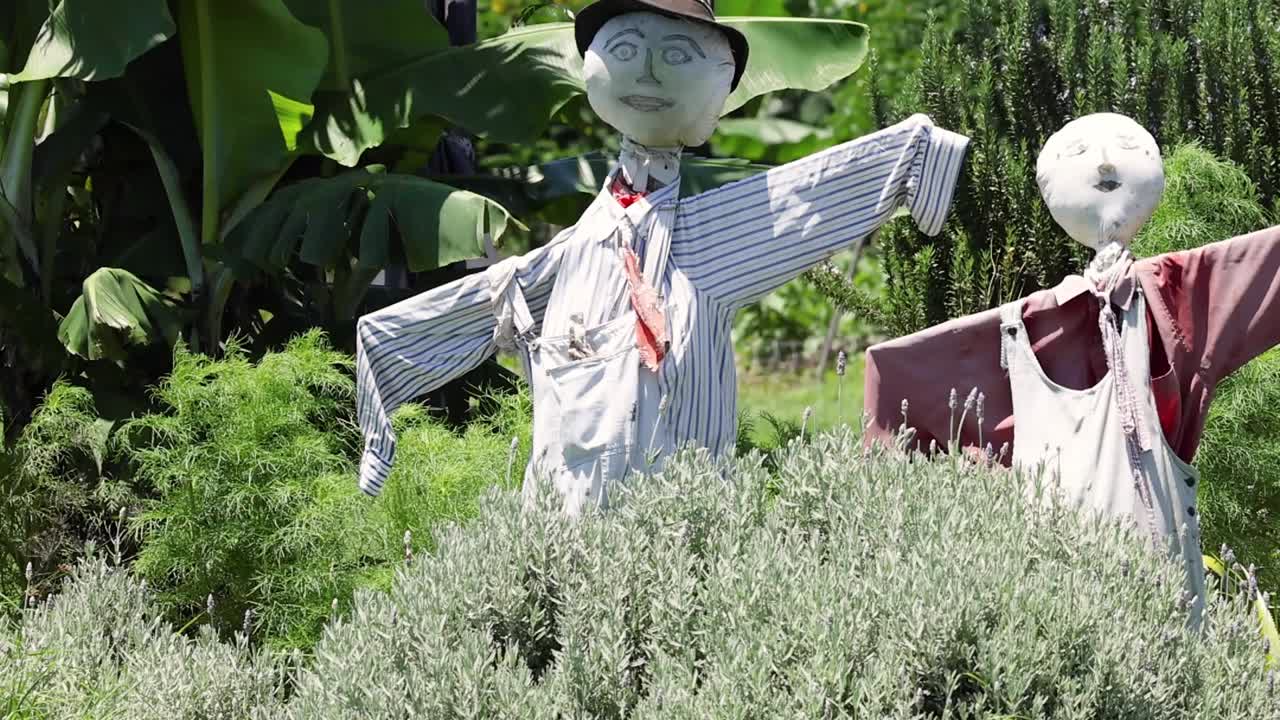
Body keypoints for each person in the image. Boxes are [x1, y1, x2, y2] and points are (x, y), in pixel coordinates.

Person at [356, 0, 970, 514]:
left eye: (677, 55)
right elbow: (483, 301)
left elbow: (803, 195)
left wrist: (917, 156)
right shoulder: (574, 253)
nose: (647, 72)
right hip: (561, 539)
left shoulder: (712, 235)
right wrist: (382, 356)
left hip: (680, 539)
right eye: (625, 50)